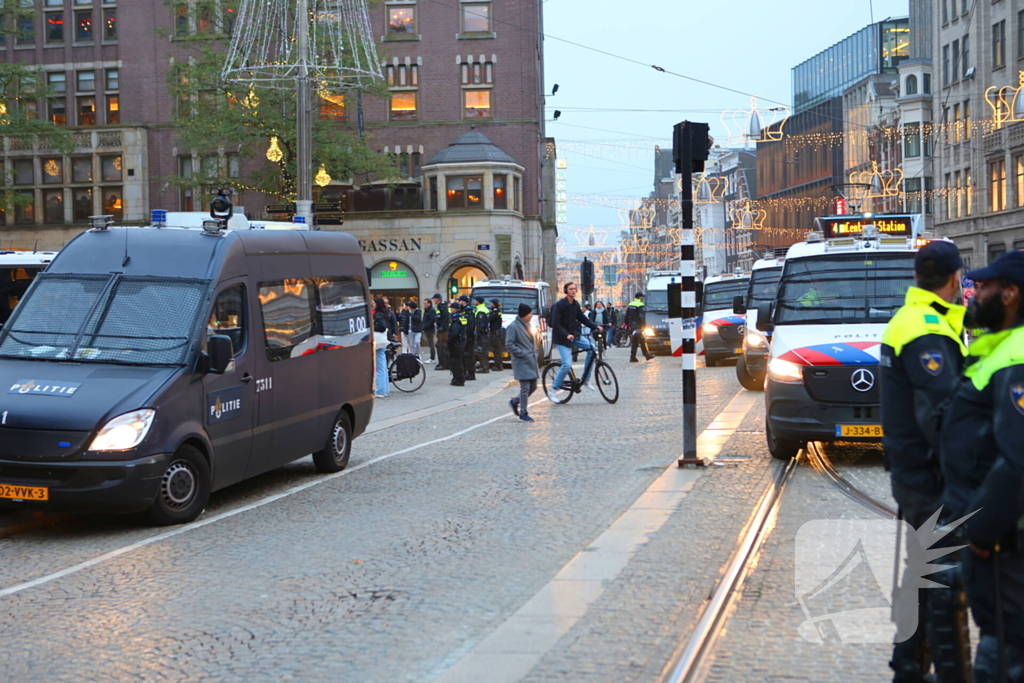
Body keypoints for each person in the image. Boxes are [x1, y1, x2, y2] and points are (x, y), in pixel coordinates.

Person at [880, 241, 971, 683]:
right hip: (928, 473)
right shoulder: (926, 329)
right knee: (938, 575)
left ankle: (910, 665)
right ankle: (927, 668)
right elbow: (942, 411)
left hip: (912, 468)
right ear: (956, 280)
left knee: (923, 569)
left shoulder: (910, 320)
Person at [939, 250, 1024, 683]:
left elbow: (1018, 460)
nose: (975, 293)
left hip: (1005, 545)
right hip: (997, 540)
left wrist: (980, 534)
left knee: (1006, 654)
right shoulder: (1000, 349)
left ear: (1010, 294)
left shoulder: (1016, 358)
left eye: (986, 287)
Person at [549, 282, 602, 401]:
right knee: (567, 364)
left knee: (592, 349)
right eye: (571, 289)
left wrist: (595, 326)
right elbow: (555, 324)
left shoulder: (575, 304)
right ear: (566, 291)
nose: (573, 291)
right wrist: (566, 335)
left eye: (574, 289)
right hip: (561, 338)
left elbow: (582, 318)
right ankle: (553, 389)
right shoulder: (560, 305)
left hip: (574, 335)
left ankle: (585, 379)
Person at [506, 303, 539, 422]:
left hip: (531, 360)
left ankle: (515, 401)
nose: (531, 315)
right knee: (525, 388)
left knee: (533, 386)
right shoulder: (513, 327)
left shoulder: (528, 325)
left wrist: (535, 351)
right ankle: (523, 413)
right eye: (529, 313)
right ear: (524, 315)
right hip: (522, 361)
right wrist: (522, 353)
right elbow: (509, 344)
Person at [626, 292, 654, 362]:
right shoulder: (640, 305)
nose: (643, 298)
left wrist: (626, 324)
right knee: (640, 341)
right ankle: (645, 355)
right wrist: (644, 325)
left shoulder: (630, 304)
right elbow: (642, 316)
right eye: (642, 297)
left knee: (636, 341)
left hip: (632, 326)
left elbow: (627, 315)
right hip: (638, 325)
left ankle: (634, 357)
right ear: (639, 297)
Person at [371, 297, 391, 398]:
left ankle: (381, 390)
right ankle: (385, 388)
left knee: (380, 367)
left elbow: (382, 327)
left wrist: (372, 327)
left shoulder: (378, 314)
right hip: (382, 342)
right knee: (382, 366)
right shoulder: (384, 313)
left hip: (378, 342)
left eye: (373, 303)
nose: (372, 304)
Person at [446, 300, 467, 386]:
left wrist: (449, 341)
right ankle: (457, 378)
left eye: (451, 308)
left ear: (455, 309)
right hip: (461, 341)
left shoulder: (456, 319)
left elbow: (455, 332)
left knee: (456, 362)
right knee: (458, 361)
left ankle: (459, 379)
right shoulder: (462, 317)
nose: (450, 310)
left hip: (456, 343)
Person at [460, 295, 477, 381]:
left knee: (468, 355)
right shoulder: (464, 310)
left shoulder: (468, 312)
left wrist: (466, 336)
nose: (459, 302)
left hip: (469, 337)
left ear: (464, 302)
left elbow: (469, 326)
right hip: (466, 336)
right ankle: (466, 372)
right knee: (465, 355)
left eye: (460, 301)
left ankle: (471, 374)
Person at [472, 295, 491, 375]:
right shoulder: (484, 309)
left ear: (478, 301)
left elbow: (480, 324)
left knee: (482, 350)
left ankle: (484, 367)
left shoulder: (481, 310)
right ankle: (484, 367)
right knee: (483, 350)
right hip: (484, 333)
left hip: (482, 334)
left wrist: (476, 333)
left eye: (475, 300)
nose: (474, 302)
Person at [433, 294, 450, 371]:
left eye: (435, 299)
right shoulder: (440, 306)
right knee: (439, 345)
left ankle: (444, 363)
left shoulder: (442, 307)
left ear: (438, 299)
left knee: (441, 346)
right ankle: (441, 362)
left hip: (443, 331)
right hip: (441, 329)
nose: (434, 300)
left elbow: (446, 317)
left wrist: (442, 327)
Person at [488, 299, 505, 371]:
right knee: (497, 350)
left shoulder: (494, 312)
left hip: (495, 333)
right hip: (498, 332)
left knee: (496, 350)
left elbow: (489, 319)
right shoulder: (498, 311)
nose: (490, 304)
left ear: (493, 304)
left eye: (491, 303)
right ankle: (499, 365)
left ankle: (498, 366)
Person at [422, 298, 437, 363]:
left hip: (430, 329)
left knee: (431, 344)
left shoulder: (431, 311)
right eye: (424, 303)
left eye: (425, 303)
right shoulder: (427, 310)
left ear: (429, 303)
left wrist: (426, 326)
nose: (424, 304)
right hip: (427, 329)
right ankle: (432, 357)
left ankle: (432, 358)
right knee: (429, 343)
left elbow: (432, 320)